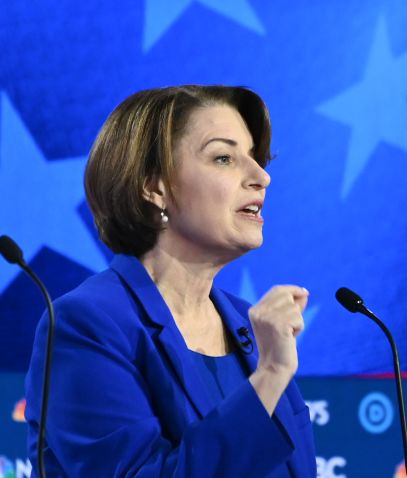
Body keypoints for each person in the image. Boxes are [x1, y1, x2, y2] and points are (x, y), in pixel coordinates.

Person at [24, 85, 316, 477]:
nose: (261, 176)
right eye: (225, 157)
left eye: (256, 158)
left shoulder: (253, 328)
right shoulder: (86, 325)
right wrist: (269, 377)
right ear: (154, 187)